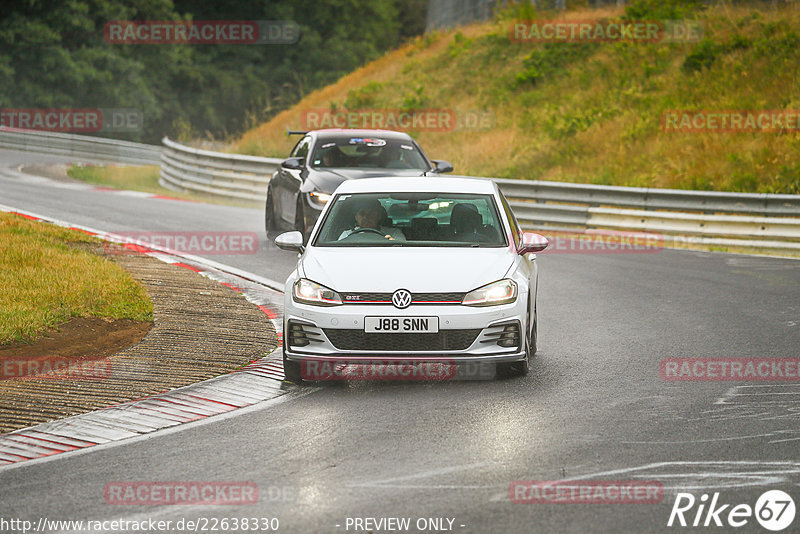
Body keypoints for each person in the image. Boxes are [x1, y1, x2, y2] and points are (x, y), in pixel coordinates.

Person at [339, 199, 406, 241]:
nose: (366, 217)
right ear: (356, 217)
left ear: (379, 216)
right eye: (362, 213)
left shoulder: (394, 234)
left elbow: (403, 254)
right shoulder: (347, 235)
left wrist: (393, 244)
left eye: (371, 213)